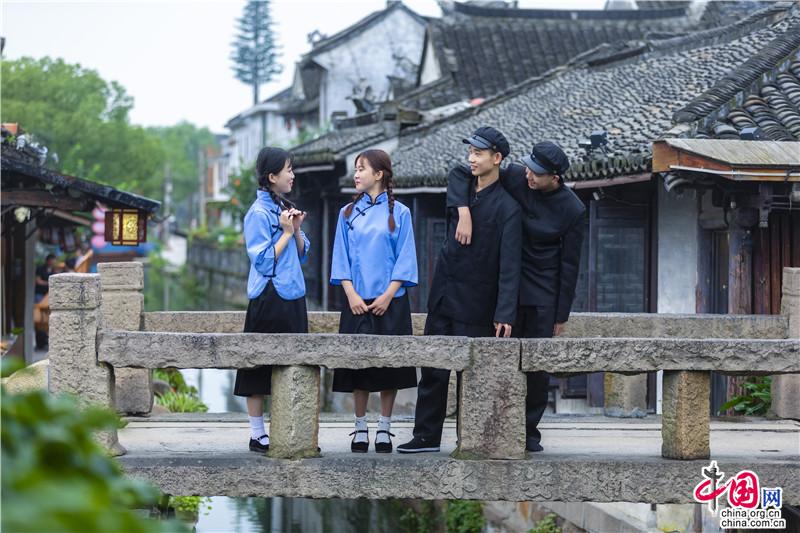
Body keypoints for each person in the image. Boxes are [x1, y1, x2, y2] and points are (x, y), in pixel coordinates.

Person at [445, 140, 586, 452]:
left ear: (555, 178)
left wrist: (561, 314)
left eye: (536, 173)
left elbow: (570, 264)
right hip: (505, 285)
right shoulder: (514, 176)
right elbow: (459, 174)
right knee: (496, 359)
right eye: (529, 168)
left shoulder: (573, 209)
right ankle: (492, 426)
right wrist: (463, 211)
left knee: (536, 367)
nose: (529, 176)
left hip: (544, 292)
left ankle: (528, 431)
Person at [397, 126, 522, 454]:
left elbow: (510, 265)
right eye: (470, 152)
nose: (471, 159)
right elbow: (455, 172)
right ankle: (426, 436)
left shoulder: (508, 208)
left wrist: (505, 312)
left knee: (475, 376)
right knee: (432, 370)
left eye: (478, 153)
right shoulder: (463, 189)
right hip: (444, 294)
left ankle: (474, 439)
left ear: (497, 158)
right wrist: (463, 211)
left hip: (478, 301)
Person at [330, 149, 418, 453]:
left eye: (361, 169)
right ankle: (359, 426)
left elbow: (405, 258)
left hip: (390, 300)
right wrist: (351, 294)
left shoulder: (401, 213)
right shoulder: (347, 213)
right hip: (356, 299)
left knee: (389, 367)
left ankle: (384, 426)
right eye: (355, 169)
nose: (356, 175)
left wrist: (388, 295)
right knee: (358, 366)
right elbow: (340, 257)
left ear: (379, 174)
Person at [233, 147, 310, 453]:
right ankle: (257, 433)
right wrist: (286, 233)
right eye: (288, 170)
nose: (293, 175)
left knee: (294, 364)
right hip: (268, 296)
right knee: (257, 365)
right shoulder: (258, 213)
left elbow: (303, 254)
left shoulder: (284, 207)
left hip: (292, 293)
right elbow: (263, 262)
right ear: (272, 176)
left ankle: (289, 428)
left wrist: (296, 231)